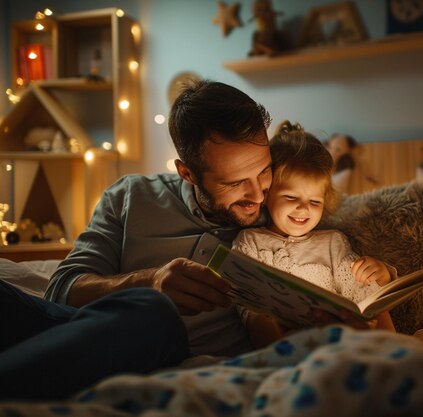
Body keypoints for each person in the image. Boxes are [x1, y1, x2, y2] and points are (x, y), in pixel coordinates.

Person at [0, 80, 367, 401]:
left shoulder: (282, 210)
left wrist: (376, 273)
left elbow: (330, 246)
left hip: (163, 355)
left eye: (263, 171)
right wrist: (149, 281)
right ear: (187, 172)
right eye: (234, 183)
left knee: (152, 314)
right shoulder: (130, 196)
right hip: (87, 331)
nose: (258, 195)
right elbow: (61, 289)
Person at [233, 121, 396, 348]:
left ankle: (398, 352)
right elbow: (247, 303)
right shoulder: (252, 242)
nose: (304, 208)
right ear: (266, 194)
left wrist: (375, 275)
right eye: (291, 198)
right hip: (285, 345)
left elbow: (360, 293)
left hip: (340, 341)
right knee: (258, 315)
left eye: (315, 201)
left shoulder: (333, 242)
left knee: (373, 301)